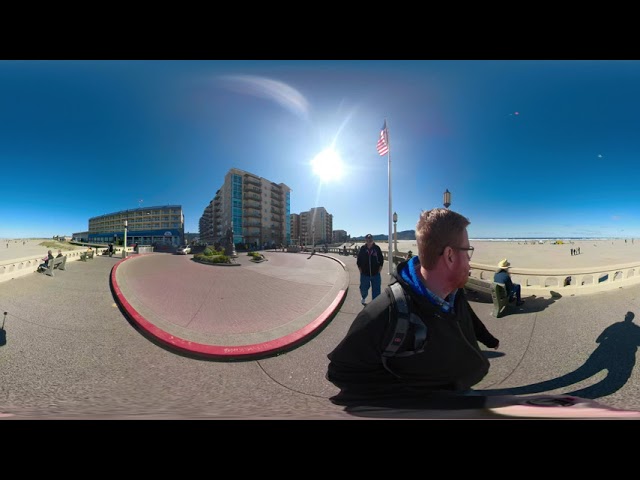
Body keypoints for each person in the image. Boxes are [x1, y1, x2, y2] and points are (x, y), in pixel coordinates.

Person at [326, 208, 500, 405]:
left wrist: (488, 339)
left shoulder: (455, 294)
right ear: (450, 255)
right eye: (467, 251)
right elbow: (340, 371)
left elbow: (469, 319)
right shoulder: (384, 312)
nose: (470, 260)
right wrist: (411, 399)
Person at [356, 234, 384, 305]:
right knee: (363, 289)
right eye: (368, 239)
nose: (369, 240)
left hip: (376, 274)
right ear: (365, 240)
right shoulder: (363, 248)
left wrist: (379, 270)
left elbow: (381, 260)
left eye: (371, 239)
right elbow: (358, 261)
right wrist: (361, 271)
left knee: (376, 290)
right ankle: (363, 297)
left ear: (373, 239)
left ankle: (375, 304)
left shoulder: (377, 248)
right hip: (365, 274)